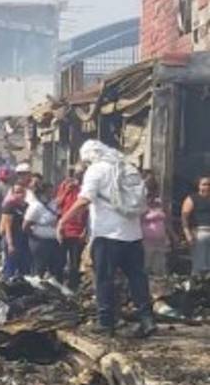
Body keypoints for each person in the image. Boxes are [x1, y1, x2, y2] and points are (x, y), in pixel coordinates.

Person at [57, 140, 155, 337]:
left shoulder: (96, 170)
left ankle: (105, 322)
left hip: (108, 235)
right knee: (137, 277)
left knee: (104, 278)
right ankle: (147, 319)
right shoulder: (128, 167)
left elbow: (84, 200)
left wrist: (62, 221)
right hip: (133, 235)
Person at [55, 168, 88, 291]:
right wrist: (66, 191)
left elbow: (88, 212)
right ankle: (58, 285)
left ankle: (73, 286)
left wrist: (85, 231)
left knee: (75, 262)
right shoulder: (65, 187)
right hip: (64, 230)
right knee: (60, 260)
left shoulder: (85, 189)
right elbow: (57, 204)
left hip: (78, 231)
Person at [24, 181, 62, 279]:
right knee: (39, 269)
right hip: (39, 242)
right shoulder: (35, 206)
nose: (50, 195)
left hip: (54, 241)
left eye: (52, 192)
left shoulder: (54, 204)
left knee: (55, 269)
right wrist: (35, 236)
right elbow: (25, 225)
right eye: (48, 192)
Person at [0, 178, 31, 278]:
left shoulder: (26, 206)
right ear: (13, 193)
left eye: (21, 192)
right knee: (10, 267)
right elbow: (7, 227)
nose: (19, 195)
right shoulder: (10, 206)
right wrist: (10, 244)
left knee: (24, 267)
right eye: (17, 192)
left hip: (23, 239)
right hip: (12, 238)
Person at [183, 176, 210, 275]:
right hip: (199, 233)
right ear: (198, 186)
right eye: (204, 184)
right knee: (199, 265)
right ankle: (196, 288)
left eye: (208, 184)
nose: (206, 187)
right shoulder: (192, 199)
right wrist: (187, 234)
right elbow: (185, 217)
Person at [141, 194, 172, 278]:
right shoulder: (143, 209)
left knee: (159, 264)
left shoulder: (160, 207)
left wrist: (171, 235)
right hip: (147, 241)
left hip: (160, 240)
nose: (153, 201)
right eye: (151, 199)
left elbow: (166, 223)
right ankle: (145, 281)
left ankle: (158, 281)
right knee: (147, 262)